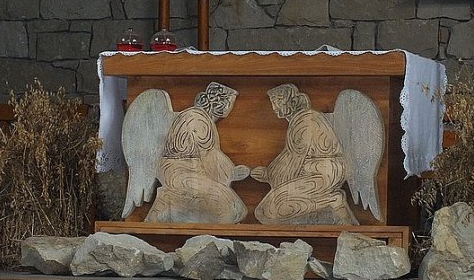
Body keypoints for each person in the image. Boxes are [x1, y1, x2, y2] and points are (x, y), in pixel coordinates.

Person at [251, 84, 358, 225]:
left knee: (267, 211)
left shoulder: (304, 121)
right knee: (265, 211)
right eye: (273, 103)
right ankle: (333, 206)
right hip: (323, 172)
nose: (275, 107)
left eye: (278, 102)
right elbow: (290, 156)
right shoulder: (303, 119)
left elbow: (293, 159)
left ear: (293, 102)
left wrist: (269, 175)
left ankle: (331, 202)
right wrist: (268, 174)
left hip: (321, 174)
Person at [145, 82, 249, 223]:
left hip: (190, 171)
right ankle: (176, 218)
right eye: (228, 102)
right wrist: (231, 173)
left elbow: (211, 155)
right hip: (179, 171)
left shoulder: (203, 119)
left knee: (233, 207)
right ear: (218, 102)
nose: (228, 107)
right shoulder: (197, 119)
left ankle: (171, 214)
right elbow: (209, 155)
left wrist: (232, 173)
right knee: (228, 205)